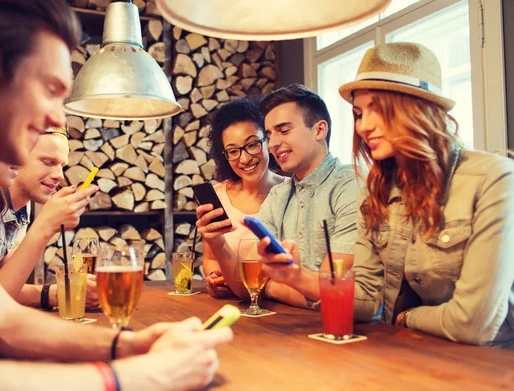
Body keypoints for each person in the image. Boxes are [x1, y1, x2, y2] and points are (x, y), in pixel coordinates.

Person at [0, 1, 232, 390]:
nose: (55, 118)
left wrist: (129, 344)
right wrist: (139, 377)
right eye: (50, 90)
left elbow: (1, 321)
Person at [260, 42, 514, 348]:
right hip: (406, 353)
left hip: (489, 364)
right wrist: (296, 276)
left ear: (417, 107)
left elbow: (474, 324)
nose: (364, 126)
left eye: (377, 109)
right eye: (358, 113)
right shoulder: (375, 190)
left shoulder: (495, 178)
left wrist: (407, 318)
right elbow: (366, 301)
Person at [248, 84, 359, 309]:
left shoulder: (351, 186)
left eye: (284, 130)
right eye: (269, 134)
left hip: (351, 335)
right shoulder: (277, 196)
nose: (273, 143)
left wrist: (272, 288)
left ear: (319, 130)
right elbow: (252, 280)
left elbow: (335, 292)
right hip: (288, 332)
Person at [0, 127, 99, 310]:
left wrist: (58, 294)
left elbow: (7, 284)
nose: (59, 175)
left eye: (62, 166)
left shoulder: (22, 206)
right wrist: (45, 225)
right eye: (48, 162)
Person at [195, 98, 285, 300]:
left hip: (282, 308)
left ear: (267, 140)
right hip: (235, 307)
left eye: (252, 144)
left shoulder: (292, 191)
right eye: (233, 151)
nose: (244, 159)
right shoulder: (218, 196)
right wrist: (215, 278)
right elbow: (210, 258)